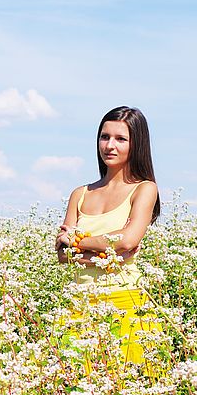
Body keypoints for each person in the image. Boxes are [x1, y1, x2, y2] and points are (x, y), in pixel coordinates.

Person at [54, 105, 162, 373]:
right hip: (78, 306)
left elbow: (127, 241)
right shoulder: (80, 193)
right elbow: (62, 255)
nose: (110, 146)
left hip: (126, 303)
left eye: (120, 139)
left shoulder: (144, 189)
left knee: (131, 390)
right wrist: (106, 251)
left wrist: (77, 240)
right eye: (105, 137)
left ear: (137, 144)